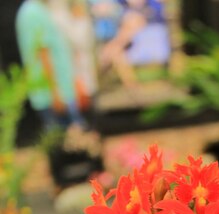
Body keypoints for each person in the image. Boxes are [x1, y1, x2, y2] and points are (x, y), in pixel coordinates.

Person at [16, 0, 84, 129]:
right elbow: (43, 53)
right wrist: (55, 93)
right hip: (54, 93)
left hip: (54, 90)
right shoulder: (33, 12)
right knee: (74, 139)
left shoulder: (33, 10)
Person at [100, 0, 170, 86]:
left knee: (133, 20)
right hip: (130, 33)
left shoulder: (151, 6)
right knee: (118, 54)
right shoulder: (121, 4)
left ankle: (106, 57)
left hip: (146, 26)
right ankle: (131, 83)